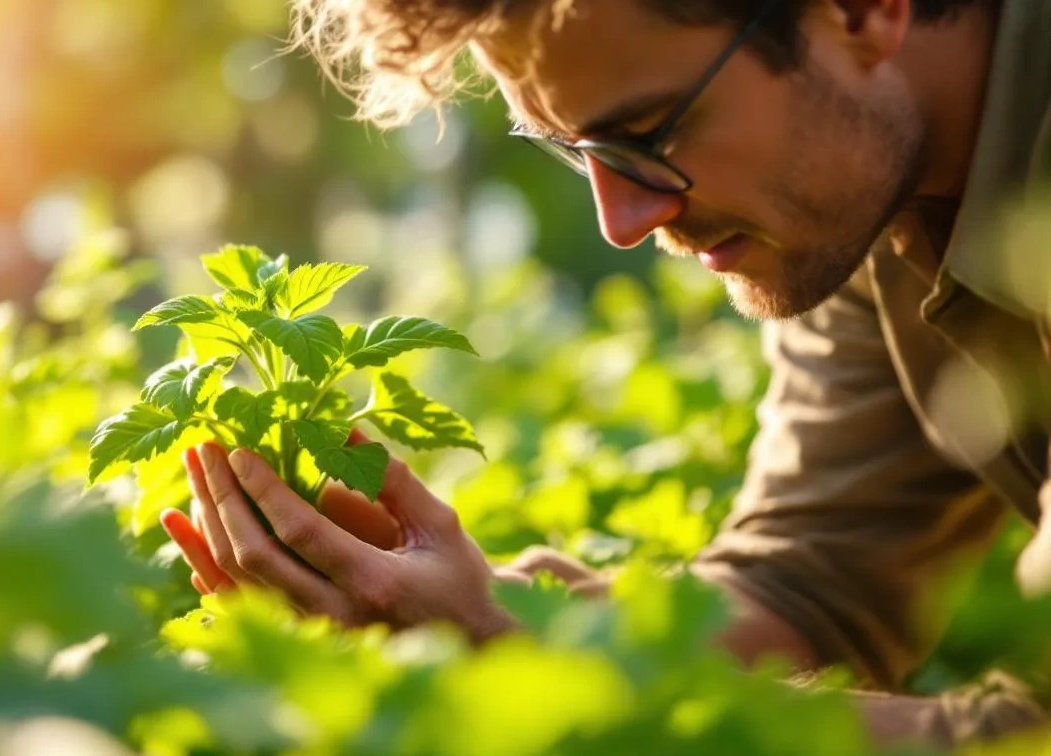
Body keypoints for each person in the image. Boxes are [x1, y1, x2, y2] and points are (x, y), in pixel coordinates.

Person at [159, 0, 1051, 747]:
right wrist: (508, 622)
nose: (622, 221)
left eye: (646, 132)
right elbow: (810, 586)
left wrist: (526, 661)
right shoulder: (857, 192)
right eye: (576, 150)